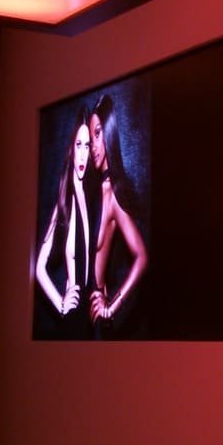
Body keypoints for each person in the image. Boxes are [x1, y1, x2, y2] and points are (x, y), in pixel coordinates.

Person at [87, 93, 148, 337]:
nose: (93, 146)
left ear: (109, 133)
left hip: (96, 325)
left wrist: (112, 306)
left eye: (98, 133)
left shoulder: (112, 194)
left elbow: (142, 257)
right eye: (90, 137)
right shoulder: (89, 189)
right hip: (76, 319)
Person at [35, 105, 97, 338]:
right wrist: (60, 302)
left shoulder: (90, 197)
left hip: (89, 322)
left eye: (87, 146)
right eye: (78, 145)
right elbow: (39, 268)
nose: (82, 154)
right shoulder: (65, 202)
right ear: (71, 147)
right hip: (72, 321)